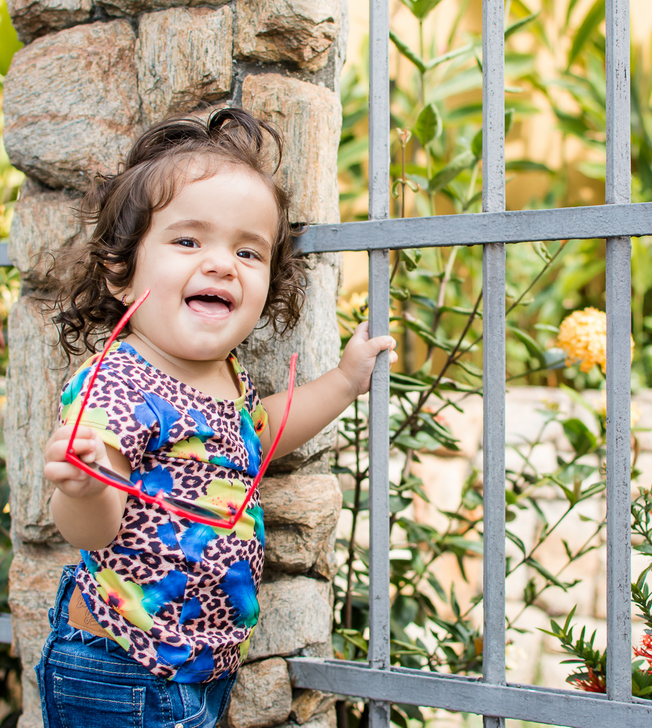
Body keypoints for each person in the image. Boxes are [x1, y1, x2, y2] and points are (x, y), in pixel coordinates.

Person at [35, 108, 395, 728]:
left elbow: (259, 434)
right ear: (121, 273)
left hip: (191, 671)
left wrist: (342, 382)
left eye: (248, 251)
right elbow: (91, 531)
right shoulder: (119, 383)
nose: (223, 263)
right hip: (122, 667)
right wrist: (85, 486)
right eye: (188, 240)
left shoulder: (225, 376)